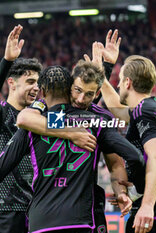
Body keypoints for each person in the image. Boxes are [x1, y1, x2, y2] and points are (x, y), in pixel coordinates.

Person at [0, 65, 145, 233]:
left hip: (41, 220)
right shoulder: (96, 122)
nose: (81, 97)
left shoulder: (33, 126)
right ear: (70, 89)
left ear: (42, 92)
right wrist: (134, 189)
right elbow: (135, 157)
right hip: (81, 221)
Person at [16, 30, 130, 233]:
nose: (79, 99)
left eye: (87, 94)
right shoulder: (54, 110)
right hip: (50, 209)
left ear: (96, 92)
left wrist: (121, 191)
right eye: (76, 90)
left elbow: (115, 164)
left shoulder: (99, 118)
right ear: (69, 86)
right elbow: (24, 118)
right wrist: (71, 133)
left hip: (87, 210)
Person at [99, 55, 156, 233]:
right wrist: (100, 75)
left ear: (128, 82)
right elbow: (119, 110)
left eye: (121, 80)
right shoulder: (154, 106)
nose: (118, 85)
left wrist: (146, 205)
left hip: (154, 216)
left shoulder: (143, 111)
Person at [0, 25, 42, 233]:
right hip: (4, 209)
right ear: (11, 83)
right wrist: (7, 61)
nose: (36, 87)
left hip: (34, 208)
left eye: (38, 83)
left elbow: (76, 112)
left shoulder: (37, 118)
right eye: (31, 81)